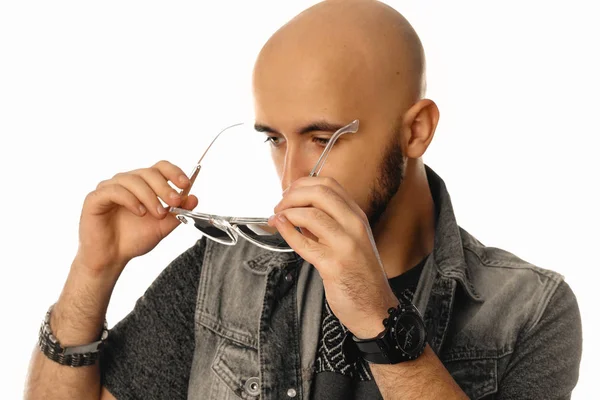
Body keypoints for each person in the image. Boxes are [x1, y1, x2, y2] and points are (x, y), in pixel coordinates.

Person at [25, 0, 582, 399]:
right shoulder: (224, 270)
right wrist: (92, 272)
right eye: (274, 139)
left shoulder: (529, 311)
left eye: (322, 138)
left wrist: (378, 317)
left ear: (416, 131)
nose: (290, 177)